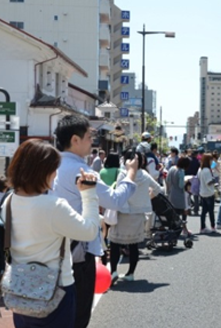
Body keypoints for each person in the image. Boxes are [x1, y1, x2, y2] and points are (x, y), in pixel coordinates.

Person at [3, 139, 100, 328]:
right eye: (54, 169)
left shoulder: (8, 202)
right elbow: (89, 231)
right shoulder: (55, 206)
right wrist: (88, 193)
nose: (56, 174)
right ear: (43, 172)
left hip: (19, 288)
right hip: (56, 289)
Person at [52, 114, 138, 328]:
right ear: (75, 140)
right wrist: (131, 174)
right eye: (89, 137)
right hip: (78, 252)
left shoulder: (51, 167)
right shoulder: (82, 171)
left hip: (52, 248)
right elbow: (115, 200)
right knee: (78, 315)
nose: (93, 142)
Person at [109, 149, 163, 284]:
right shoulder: (145, 175)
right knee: (134, 246)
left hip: (123, 213)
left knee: (115, 244)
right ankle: (130, 273)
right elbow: (159, 189)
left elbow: (119, 193)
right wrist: (146, 199)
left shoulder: (123, 174)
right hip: (139, 214)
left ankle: (113, 271)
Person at [166, 156, 192, 236]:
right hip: (180, 195)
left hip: (172, 193)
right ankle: (184, 229)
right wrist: (186, 181)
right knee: (183, 212)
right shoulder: (181, 172)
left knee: (173, 214)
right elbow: (181, 185)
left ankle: (173, 229)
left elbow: (167, 180)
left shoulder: (172, 168)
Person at [197, 153, 216, 234]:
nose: (212, 161)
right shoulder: (207, 170)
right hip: (209, 193)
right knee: (211, 211)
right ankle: (213, 226)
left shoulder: (200, 169)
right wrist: (214, 180)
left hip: (202, 192)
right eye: (211, 160)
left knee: (204, 212)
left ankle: (202, 227)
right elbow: (209, 182)